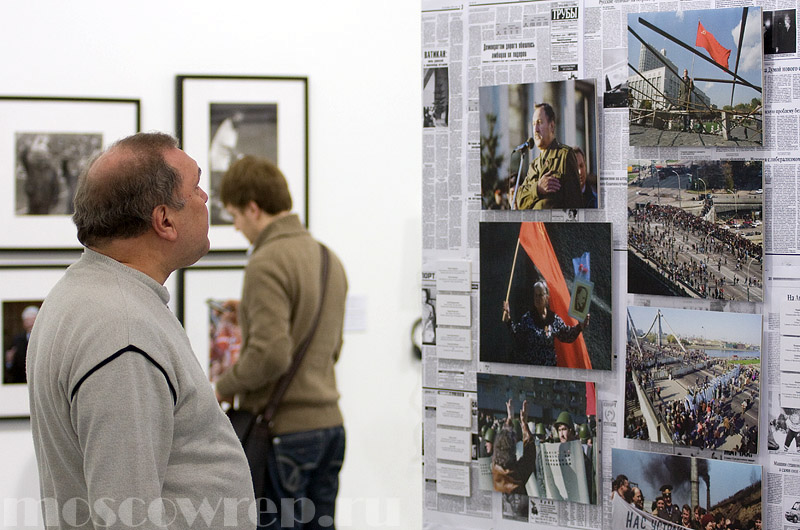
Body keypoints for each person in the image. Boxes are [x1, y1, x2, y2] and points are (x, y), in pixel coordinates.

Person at [27, 132, 255, 529]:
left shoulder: (84, 296)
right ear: (164, 219)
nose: (205, 199)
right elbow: (126, 518)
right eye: (196, 186)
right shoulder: (123, 330)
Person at [215, 156, 348, 529]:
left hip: (284, 434)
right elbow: (330, 347)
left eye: (236, 217)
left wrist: (222, 387)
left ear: (253, 208)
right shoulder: (328, 258)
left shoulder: (266, 261)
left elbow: (271, 355)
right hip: (331, 429)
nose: (238, 228)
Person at [502, 280, 590, 366]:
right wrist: (508, 320)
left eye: (540, 295)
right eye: (535, 295)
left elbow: (567, 335)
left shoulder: (554, 319)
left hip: (549, 369)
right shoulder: (528, 318)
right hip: (533, 369)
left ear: (547, 297)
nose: (537, 298)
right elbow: (517, 335)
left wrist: (580, 327)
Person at [513, 103, 582, 210]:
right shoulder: (534, 165)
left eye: (539, 123)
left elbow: (575, 203)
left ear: (552, 126)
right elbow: (519, 200)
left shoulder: (564, 155)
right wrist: (538, 188)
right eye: (533, 124)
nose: (535, 129)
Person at [492, 399, 536, 495]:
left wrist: (509, 419)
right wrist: (524, 423)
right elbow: (530, 454)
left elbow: (503, 440)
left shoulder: (494, 469)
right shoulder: (517, 473)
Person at [4, 305, 38, 384]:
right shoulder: (17, 340)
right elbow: (11, 369)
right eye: (27, 321)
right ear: (23, 323)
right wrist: (9, 362)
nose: (30, 324)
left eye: (32, 320)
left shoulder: (44, 339)